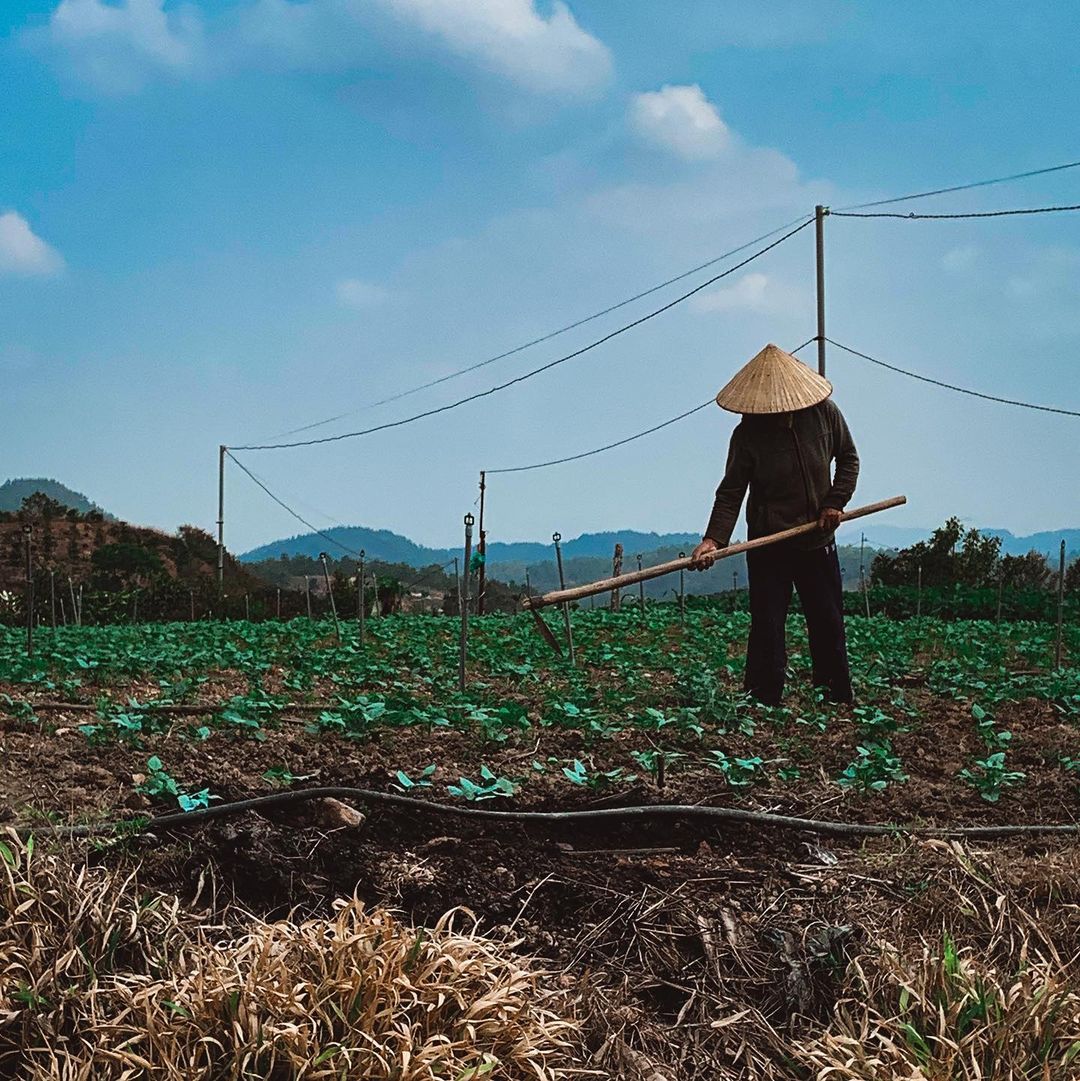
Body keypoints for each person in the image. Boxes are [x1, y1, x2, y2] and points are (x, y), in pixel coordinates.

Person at [690, 343, 859, 706]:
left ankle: (835, 698)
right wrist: (712, 540)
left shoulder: (825, 414)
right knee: (767, 625)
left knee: (828, 621)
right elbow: (731, 492)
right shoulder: (748, 434)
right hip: (770, 543)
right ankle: (762, 699)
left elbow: (849, 460)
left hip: (817, 538)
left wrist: (833, 503)